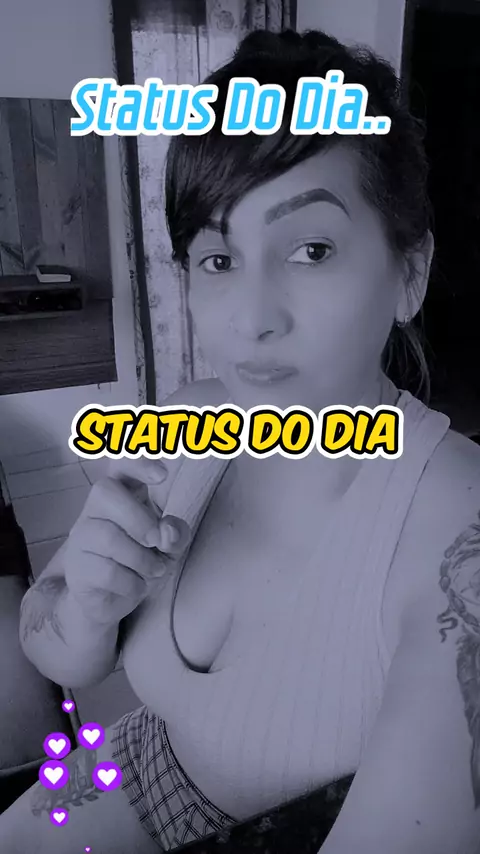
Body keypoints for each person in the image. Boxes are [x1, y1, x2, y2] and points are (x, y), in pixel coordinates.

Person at [2, 28, 480, 854]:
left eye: (312, 250)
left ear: (410, 274)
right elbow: (55, 652)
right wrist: (85, 608)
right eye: (218, 259)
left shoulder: (455, 523)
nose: (251, 320)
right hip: (120, 774)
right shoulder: (193, 421)